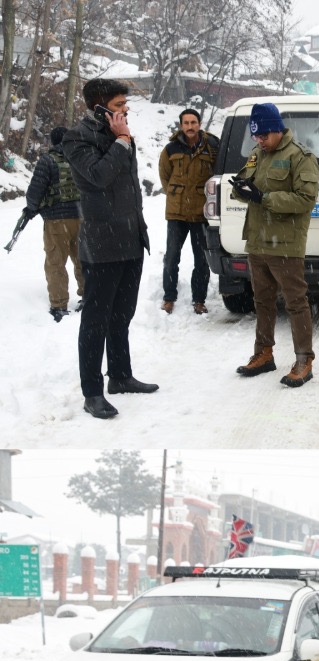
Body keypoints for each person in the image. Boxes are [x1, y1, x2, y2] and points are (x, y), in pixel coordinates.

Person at [61, 78, 156, 420]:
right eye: (118, 106)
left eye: (124, 106)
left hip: (131, 240)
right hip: (102, 246)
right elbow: (97, 178)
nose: (125, 111)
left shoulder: (122, 137)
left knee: (121, 316)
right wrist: (120, 142)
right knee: (95, 322)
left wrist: (121, 140)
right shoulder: (77, 138)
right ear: (99, 107)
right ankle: (92, 392)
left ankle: (120, 376)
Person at [230, 102, 319, 388]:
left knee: (295, 302)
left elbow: (305, 200)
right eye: (255, 136)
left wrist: (264, 198)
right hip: (257, 240)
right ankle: (264, 353)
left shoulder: (300, 157)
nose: (259, 141)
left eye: (264, 136)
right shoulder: (258, 153)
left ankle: (304, 360)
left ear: (277, 129)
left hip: (285, 243)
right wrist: (241, 189)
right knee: (262, 300)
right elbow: (246, 185)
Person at [158, 108, 220, 315]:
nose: (190, 126)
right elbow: (165, 177)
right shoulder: (171, 149)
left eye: (193, 122)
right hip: (176, 213)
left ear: (199, 124)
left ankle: (199, 299)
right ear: (181, 125)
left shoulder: (212, 147)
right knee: (172, 257)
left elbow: (218, 172)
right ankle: (169, 297)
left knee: (202, 259)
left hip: (201, 213)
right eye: (186, 123)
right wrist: (177, 195)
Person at [23, 126, 84, 322]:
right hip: (83, 217)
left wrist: (32, 208)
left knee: (56, 261)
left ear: (53, 142)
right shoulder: (80, 158)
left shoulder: (48, 160)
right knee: (83, 259)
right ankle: (89, 297)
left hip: (57, 220)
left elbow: (35, 191)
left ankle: (59, 305)